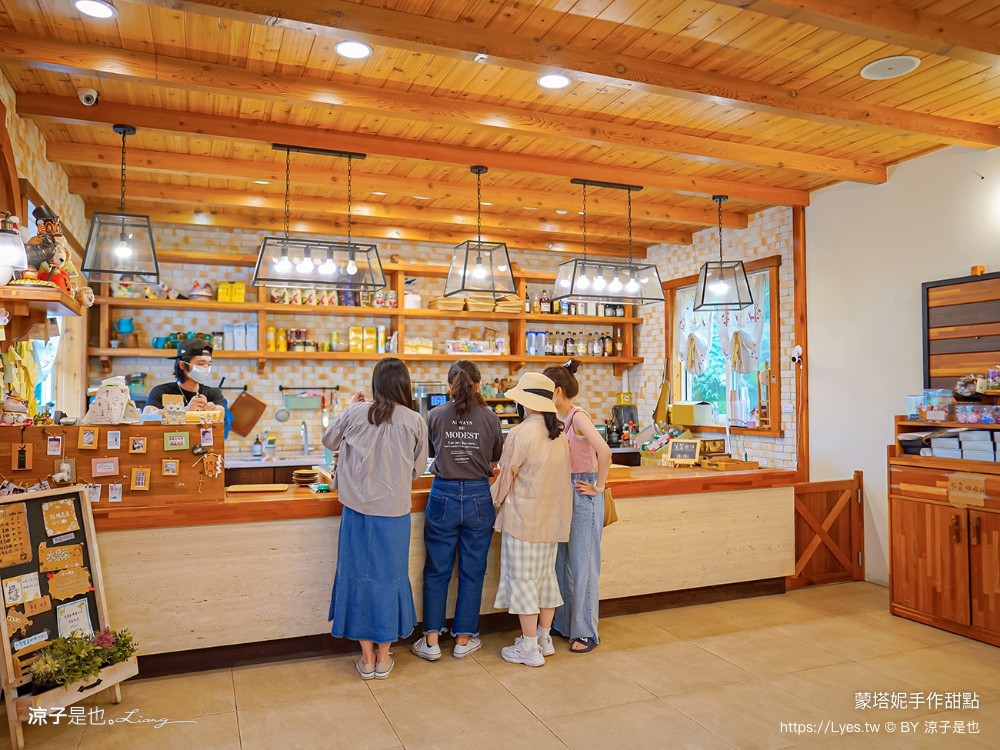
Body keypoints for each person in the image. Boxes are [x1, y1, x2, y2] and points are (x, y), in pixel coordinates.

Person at [322, 357, 428, 680]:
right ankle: (384, 658)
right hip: (394, 516)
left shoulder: (356, 412)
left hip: (356, 515)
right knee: (389, 580)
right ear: (404, 386)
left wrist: (351, 408)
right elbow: (418, 469)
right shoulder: (414, 421)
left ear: (375, 385)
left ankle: (366, 659)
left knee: (357, 579)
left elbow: (329, 442)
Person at [412, 361, 504, 662]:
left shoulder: (435, 415)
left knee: (437, 570)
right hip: (478, 496)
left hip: (443, 495)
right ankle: (464, 638)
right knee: (472, 571)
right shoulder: (490, 418)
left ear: (449, 386)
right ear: (478, 384)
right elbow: (495, 458)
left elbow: (428, 454)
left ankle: (432, 639)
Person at [491, 372, 571, 667]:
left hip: (524, 519)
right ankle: (543, 638)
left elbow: (505, 477)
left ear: (526, 403)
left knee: (524, 582)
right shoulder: (560, 433)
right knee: (545, 579)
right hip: (553, 519)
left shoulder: (520, 433)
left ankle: (528, 648)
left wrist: (492, 500)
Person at [544, 360, 613, 653]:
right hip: (562, 494)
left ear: (557, 391)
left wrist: (598, 486)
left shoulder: (578, 416)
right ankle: (565, 624)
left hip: (584, 495)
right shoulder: (557, 419)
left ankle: (586, 632)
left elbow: (605, 451)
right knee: (561, 563)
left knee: (583, 564)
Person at [145, 338, 224, 412]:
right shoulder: (161, 392)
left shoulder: (213, 393)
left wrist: (214, 409)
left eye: (209, 364)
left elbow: (221, 410)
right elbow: (147, 413)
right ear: (182, 365)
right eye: (201, 364)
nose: (206, 368)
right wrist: (185, 410)